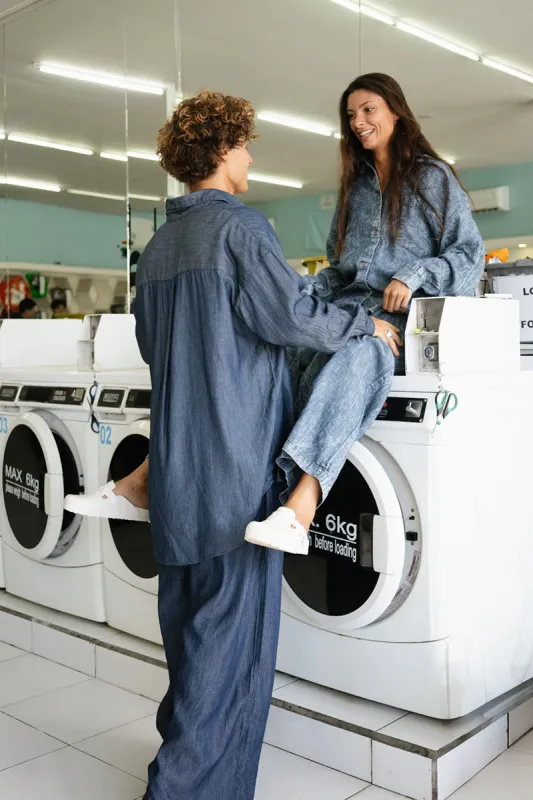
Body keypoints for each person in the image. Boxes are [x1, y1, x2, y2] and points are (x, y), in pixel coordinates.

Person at [70, 90, 395, 800]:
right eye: (245, 145)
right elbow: (290, 315)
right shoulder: (238, 230)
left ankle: (174, 769)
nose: (250, 157)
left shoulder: (157, 247)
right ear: (222, 149)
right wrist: (362, 328)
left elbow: (157, 348)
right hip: (237, 465)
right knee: (231, 653)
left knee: (190, 641)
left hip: (179, 470)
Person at [67, 73, 484, 556]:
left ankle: (301, 505)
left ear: (396, 111)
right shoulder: (355, 189)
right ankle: (146, 477)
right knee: (252, 363)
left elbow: (469, 256)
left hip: (395, 328)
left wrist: (414, 274)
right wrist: (293, 292)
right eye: (351, 115)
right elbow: (337, 270)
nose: (358, 122)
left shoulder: (433, 178)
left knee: (361, 355)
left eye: (368, 109)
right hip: (342, 314)